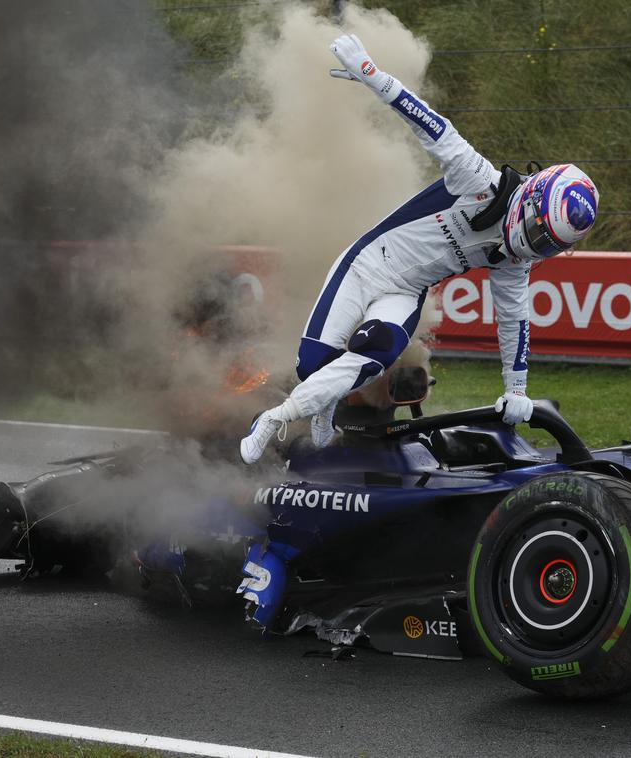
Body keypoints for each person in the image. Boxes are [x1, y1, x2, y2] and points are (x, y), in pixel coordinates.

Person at [240, 33, 599, 464]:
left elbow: (514, 323)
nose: (535, 246)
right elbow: (429, 123)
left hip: (404, 293)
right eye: (540, 233)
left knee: (373, 357)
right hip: (366, 264)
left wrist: (516, 390)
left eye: (550, 246)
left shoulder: (514, 260)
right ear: (532, 198)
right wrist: (372, 75)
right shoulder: (477, 179)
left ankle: (276, 418)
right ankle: (317, 403)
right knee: (311, 365)